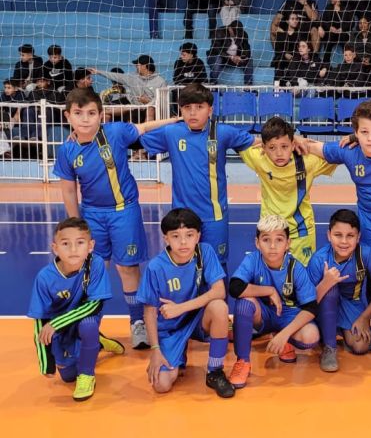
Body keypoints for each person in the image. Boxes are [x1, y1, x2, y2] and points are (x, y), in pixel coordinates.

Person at [53, 88, 180, 349]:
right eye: (78, 114)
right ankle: (89, 327)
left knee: (127, 268)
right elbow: (68, 188)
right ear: (68, 117)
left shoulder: (115, 133)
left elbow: (142, 128)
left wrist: (174, 120)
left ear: (101, 115)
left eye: (91, 113)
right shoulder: (66, 151)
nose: (85, 119)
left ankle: (137, 323)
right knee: (94, 270)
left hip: (124, 212)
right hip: (92, 216)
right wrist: (76, 224)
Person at [302, 99, 371, 352]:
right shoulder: (349, 151)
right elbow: (319, 148)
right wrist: (298, 141)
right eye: (364, 132)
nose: (370, 138)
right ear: (355, 132)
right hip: (367, 218)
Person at [140, 83, 256, 269]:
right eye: (187, 108)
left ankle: (217, 298)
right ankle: (190, 298)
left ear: (210, 110)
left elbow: (261, 141)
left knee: (217, 266)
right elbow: (131, 138)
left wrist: (296, 139)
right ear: (180, 111)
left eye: (199, 107)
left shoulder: (222, 132)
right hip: (182, 217)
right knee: (185, 264)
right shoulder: (172, 132)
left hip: (214, 215)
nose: (193, 113)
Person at [137, 208, 235, 398]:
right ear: (166, 238)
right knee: (161, 385)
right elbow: (149, 311)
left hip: (196, 319)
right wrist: (155, 350)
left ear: (197, 236)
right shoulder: (156, 267)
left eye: (189, 235)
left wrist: (180, 308)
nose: (183, 242)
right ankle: (178, 354)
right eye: (176, 236)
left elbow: (219, 291)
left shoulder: (204, 252)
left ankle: (214, 371)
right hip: (170, 329)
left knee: (219, 307)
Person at [27, 217, 125, 401]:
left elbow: (95, 305)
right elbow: (40, 320)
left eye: (80, 243)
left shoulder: (95, 264)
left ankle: (87, 375)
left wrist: (56, 323)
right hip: (61, 327)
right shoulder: (44, 278)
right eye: (66, 244)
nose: (73, 249)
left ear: (90, 246)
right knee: (68, 376)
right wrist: (46, 362)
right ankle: (99, 342)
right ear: (55, 248)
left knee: (88, 326)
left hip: (84, 318)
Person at [228, 215, 320, 389]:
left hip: (288, 316)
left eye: (279, 240)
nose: (272, 246)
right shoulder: (253, 260)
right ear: (257, 243)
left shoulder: (295, 267)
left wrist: (284, 334)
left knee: (311, 336)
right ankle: (243, 361)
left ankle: (284, 342)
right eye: (266, 240)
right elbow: (234, 287)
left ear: (288, 243)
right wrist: (268, 290)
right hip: (263, 314)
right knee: (244, 303)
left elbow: (311, 307)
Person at [239, 117, 337, 265]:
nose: (279, 153)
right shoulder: (257, 158)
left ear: (293, 145)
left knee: (304, 280)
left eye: (284, 146)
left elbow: (338, 152)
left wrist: (305, 142)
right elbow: (235, 140)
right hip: (271, 230)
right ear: (263, 148)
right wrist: (295, 137)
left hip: (302, 231)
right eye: (272, 147)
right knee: (272, 277)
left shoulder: (308, 161)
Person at [308, 209, 371, 372]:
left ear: (358, 237)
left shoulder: (365, 254)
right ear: (329, 235)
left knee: (361, 346)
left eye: (350, 236)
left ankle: (340, 331)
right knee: (331, 291)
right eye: (338, 235)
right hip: (322, 305)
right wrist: (325, 283)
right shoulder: (319, 260)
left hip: (351, 303)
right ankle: (329, 347)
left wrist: (364, 317)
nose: (344, 241)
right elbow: (308, 302)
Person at [89, 55, 167, 122]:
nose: (136, 67)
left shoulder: (160, 81)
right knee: (106, 109)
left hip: (149, 108)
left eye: (137, 65)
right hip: (132, 105)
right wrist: (98, 72)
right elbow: (116, 76)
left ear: (145, 66)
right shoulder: (133, 77)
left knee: (149, 110)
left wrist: (148, 102)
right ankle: (104, 133)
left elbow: (162, 100)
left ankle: (147, 137)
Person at [206, 20, 254, 85]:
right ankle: (213, 83)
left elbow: (247, 49)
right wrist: (230, 57)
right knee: (218, 59)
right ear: (230, 28)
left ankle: (248, 86)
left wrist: (242, 57)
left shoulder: (243, 34)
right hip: (217, 57)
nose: (237, 36)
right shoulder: (219, 32)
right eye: (235, 33)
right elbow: (216, 50)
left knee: (249, 60)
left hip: (234, 59)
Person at [318, 0, 354, 64]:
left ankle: (347, 63)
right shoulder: (328, 7)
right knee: (329, 38)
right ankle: (325, 64)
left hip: (342, 33)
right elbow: (323, 20)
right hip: (332, 33)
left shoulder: (346, 8)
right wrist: (330, 27)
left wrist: (342, 29)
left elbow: (352, 23)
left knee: (344, 38)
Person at [271, 13, 308, 81]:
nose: (295, 21)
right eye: (292, 19)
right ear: (288, 21)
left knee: (295, 63)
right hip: (282, 59)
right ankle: (277, 87)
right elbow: (277, 50)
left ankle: (293, 84)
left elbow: (302, 49)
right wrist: (285, 54)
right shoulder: (281, 34)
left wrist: (293, 57)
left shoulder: (300, 35)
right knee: (280, 61)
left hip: (295, 60)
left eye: (296, 19)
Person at [351, 16, 371, 86]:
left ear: (368, 24)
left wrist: (369, 59)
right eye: (360, 23)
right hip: (359, 60)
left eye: (364, 23)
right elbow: (353, 49)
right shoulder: (354, 36)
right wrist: (361, 58)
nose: (362, 25)